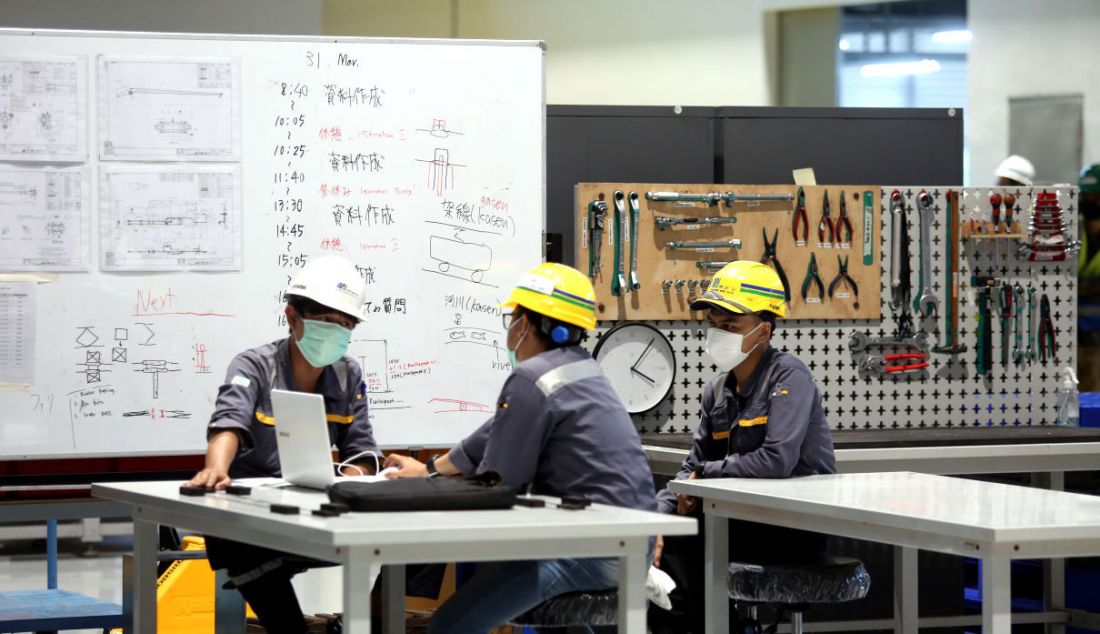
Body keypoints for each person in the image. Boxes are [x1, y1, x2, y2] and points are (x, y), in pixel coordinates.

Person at [384, 262, 657, 634]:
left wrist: (427, 488)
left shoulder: (531, 377)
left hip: (593, 550)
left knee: (450, 625)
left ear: (526, 324)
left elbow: (496, 486)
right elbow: (498, 430)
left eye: (513, 317)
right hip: (628, 547)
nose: (511, 327)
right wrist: (432, 469)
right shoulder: (582, 371)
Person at [187, 255, 378, 634]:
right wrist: (216, 468)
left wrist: (348, 476)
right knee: (259, 579)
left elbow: (363, 451)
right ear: (293, 317)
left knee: (400, 552)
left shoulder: (347, 373)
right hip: (251, 525)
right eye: (326, 322)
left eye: (345, 325)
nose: (336, 333)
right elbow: (229, 421)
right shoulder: (255, 366)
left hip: (313, 514)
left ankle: (375, 624)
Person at [648, 260, 836, 634]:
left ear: (763, 330)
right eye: (715, 325)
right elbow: (691, 468)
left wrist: (705, 479)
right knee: (654, 548)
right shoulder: (717, 391)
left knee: (690, 541)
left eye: (731, 326)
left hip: (792, 531)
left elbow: (776, 460)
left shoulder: (789, 377)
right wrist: (654, 520)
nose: (719, 334)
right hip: (737, 525)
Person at [1078, 163, 1100, 390]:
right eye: (1087, 195)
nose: (1091, 201)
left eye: (1096, 196)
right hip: (1072, 330)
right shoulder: (1075, 229)